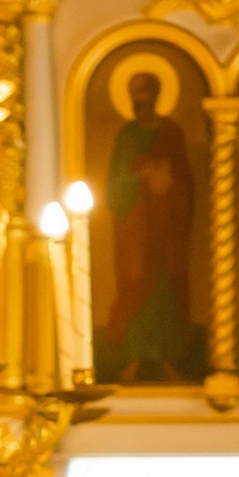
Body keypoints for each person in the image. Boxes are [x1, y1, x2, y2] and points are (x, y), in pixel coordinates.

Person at [94, 68, 198, 382]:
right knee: (136, 283)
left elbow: (185, 179)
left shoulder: (172, 132)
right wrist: (139, 174)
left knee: (165, 288)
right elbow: (115, 185)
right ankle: (134, 357)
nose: (139, 98)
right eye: (134, 92)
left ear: (155, 94)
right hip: (135, 227)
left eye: (144, 91)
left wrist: (168, 178)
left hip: (166, 226)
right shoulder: (126, 136)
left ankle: (167, 359)